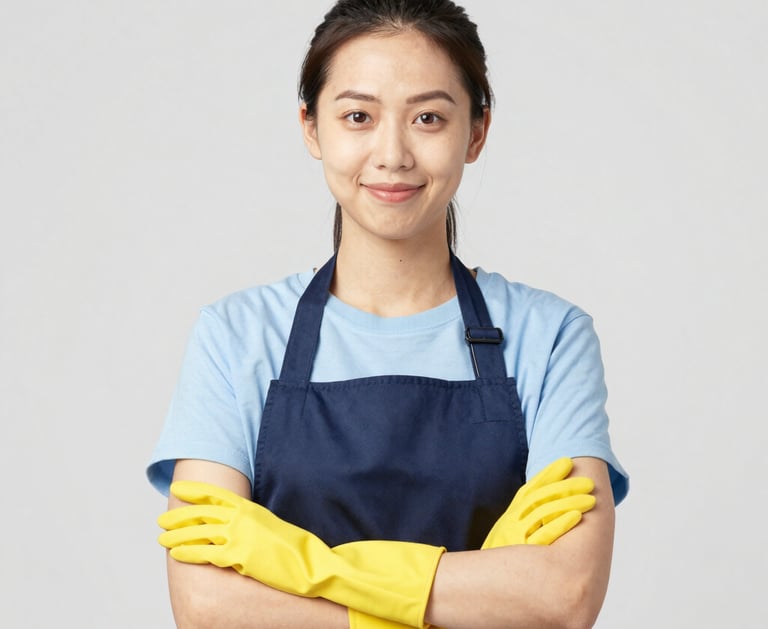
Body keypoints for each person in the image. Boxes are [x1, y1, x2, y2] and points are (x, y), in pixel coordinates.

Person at [147, 1, 629, 627]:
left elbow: (564, 596)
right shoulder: (236, 335)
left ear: (476, 132)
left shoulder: (551, 336)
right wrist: (479, 586)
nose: (393, 153)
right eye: (358, 116)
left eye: (429, 117)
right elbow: (207, 606)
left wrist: (305, 566)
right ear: (311, 127)